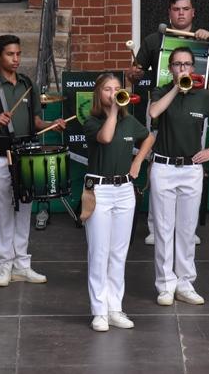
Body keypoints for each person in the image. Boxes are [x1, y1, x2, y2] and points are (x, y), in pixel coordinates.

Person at [129, 0, 209, 246]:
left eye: (185, 9)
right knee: (156, 159)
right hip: (162, 102)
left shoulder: (201, 38)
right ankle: (155, 226)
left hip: (194, 102)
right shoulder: (155, 39)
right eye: (176, 9)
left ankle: (187, 228)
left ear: (193, 12)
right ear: (169, 12)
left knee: (191, 154)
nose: (181, 13)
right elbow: (136, 71)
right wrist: (134, 74)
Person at [149, 47, 209, 306]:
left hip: (191, 169)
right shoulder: (161, 91)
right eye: (177, 64)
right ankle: (165, 284)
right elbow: (154, 113)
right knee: (164, 230)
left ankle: (185, 283)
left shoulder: (204, 96)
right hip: (164, 167)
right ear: (170, 68)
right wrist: (177, 88)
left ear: (193, 67)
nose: (183, 68)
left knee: (187, 230)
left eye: (187, 64)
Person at [0, 34, 65, 287]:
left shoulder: (28, 84)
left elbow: (36, 121)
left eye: (18, 54)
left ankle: (22, 264)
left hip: (27, 152)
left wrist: (51, 124)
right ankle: (3, 265)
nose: (16, 59)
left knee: (25, 207)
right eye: (10, 54)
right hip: (2, 153)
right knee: (3, 209)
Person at [82, 73, 154, 332]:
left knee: (118, 253)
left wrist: (138, 162)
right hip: (98, 189)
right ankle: (99, 311)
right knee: (99, 252)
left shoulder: (129, 121)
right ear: (98, 94)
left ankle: (115, 308)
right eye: (107, 89)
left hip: (124, 189)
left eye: (117, 89)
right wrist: (113, 110)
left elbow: (149, 137)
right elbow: (105, 138)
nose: (113, 94)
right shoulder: (91, 121)